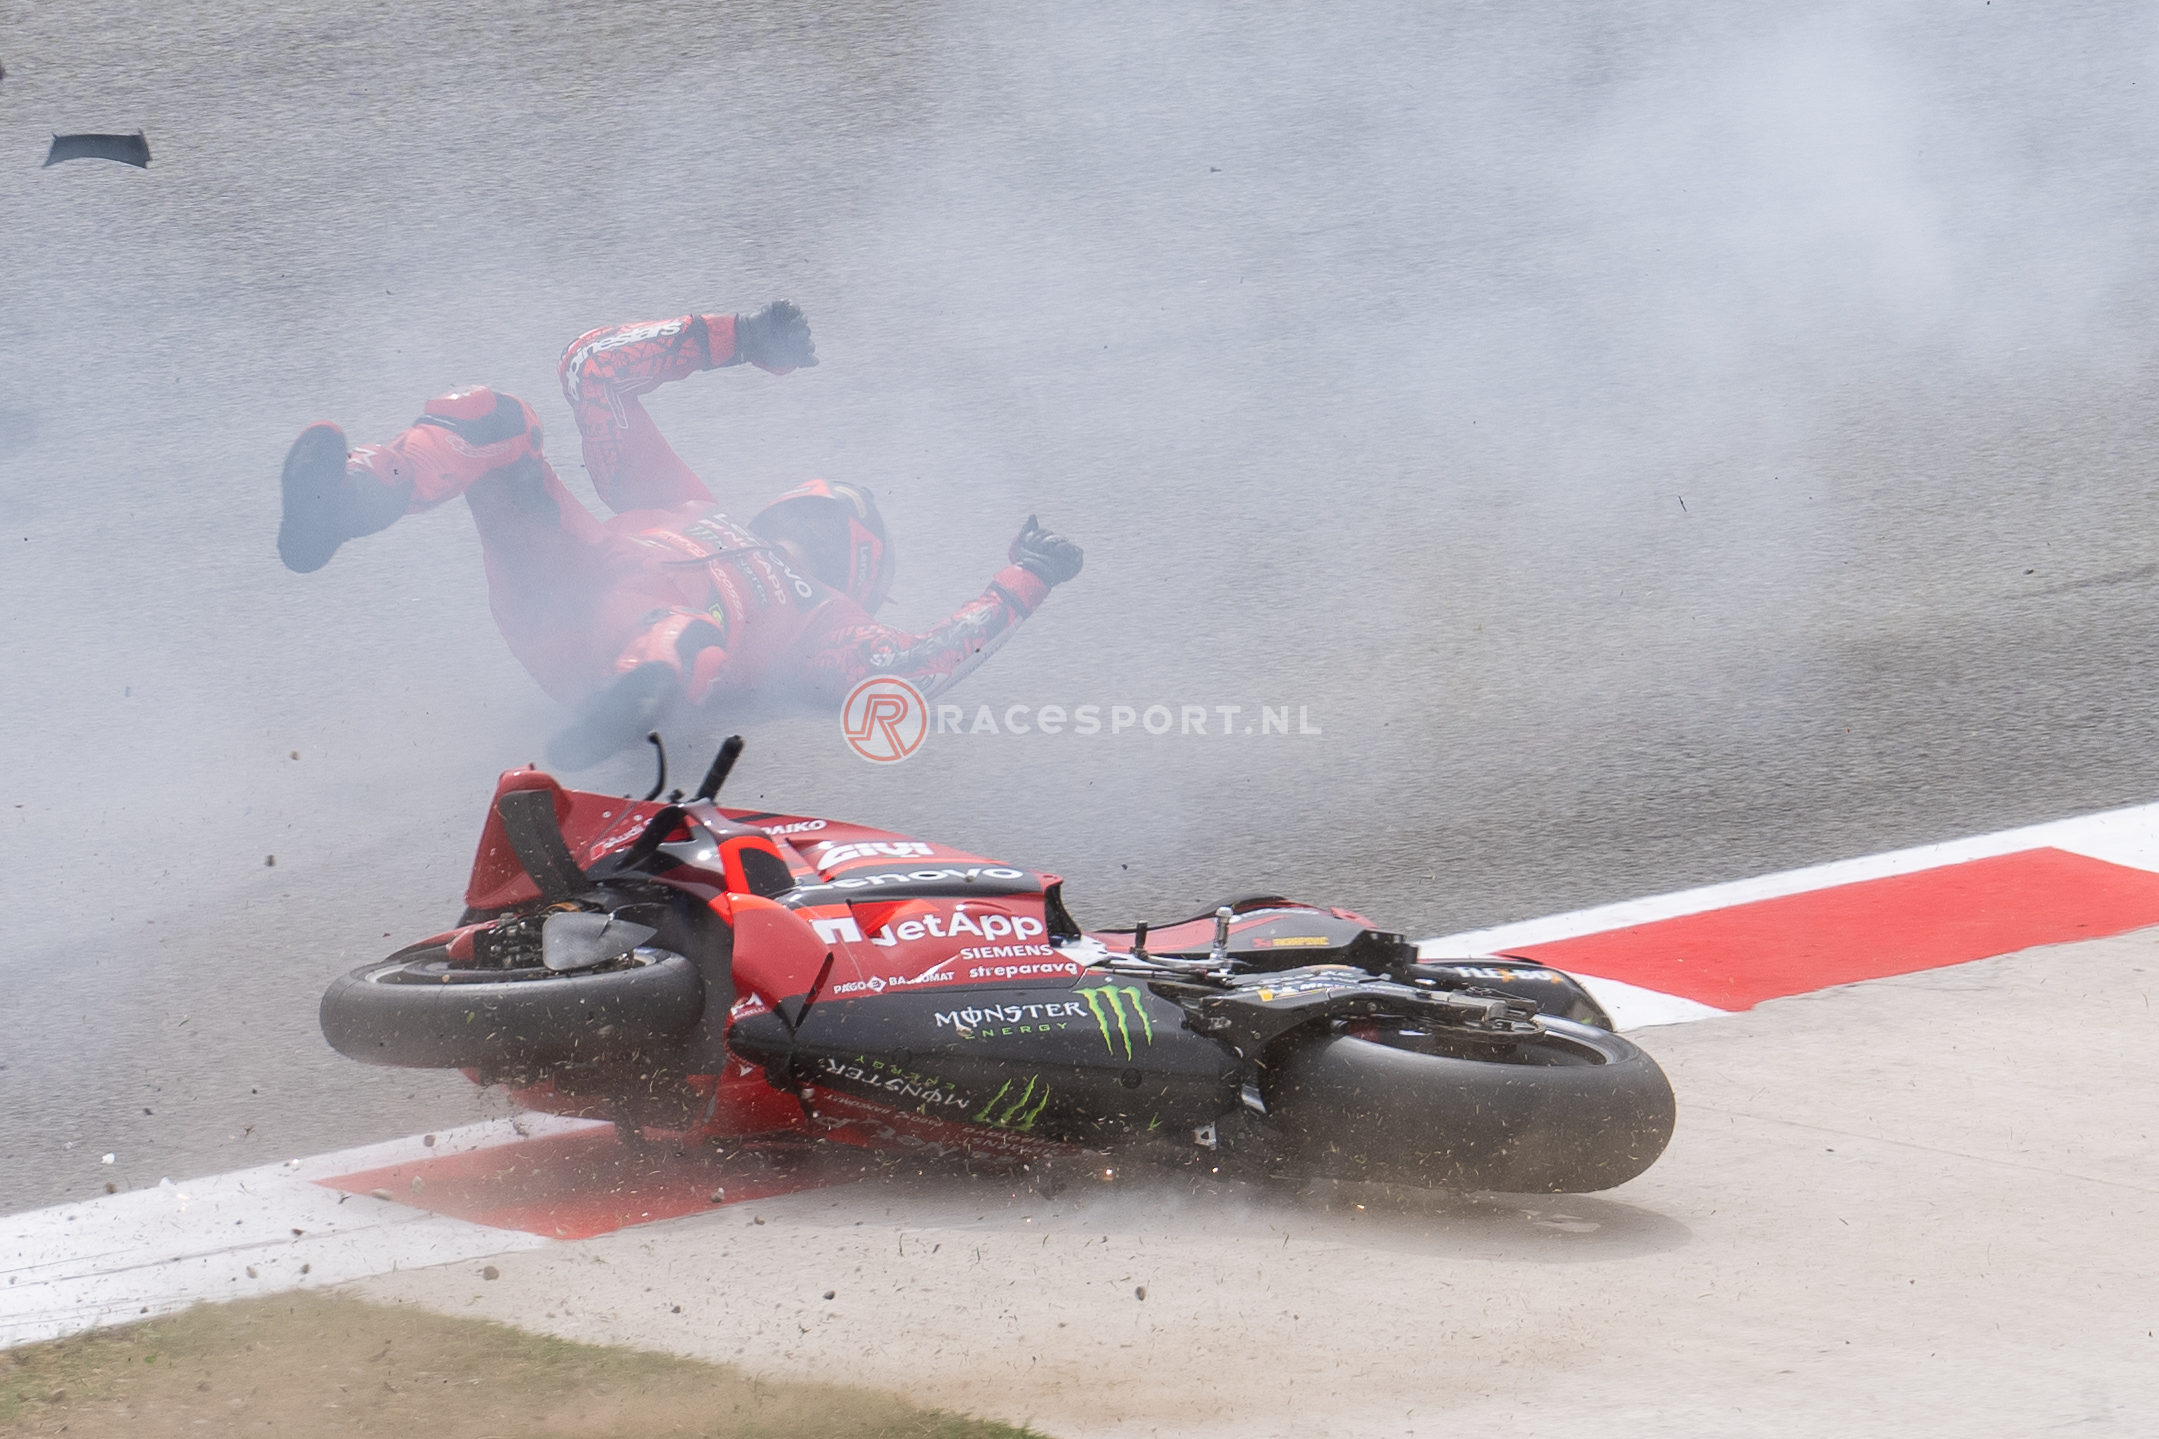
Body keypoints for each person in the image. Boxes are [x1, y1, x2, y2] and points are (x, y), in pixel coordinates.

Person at [276, 301, 1082, 766]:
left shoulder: (833, 623)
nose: (817, 508)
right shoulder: (692, 504)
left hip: (639, 651)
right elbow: (593, 369)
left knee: (694, 633)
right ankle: (353, 497)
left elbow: (914, 667)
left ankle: (634, 694)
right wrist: (739, 340)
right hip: (564, 583)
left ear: (857, 561)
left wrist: (1023, 582)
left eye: (838, 511)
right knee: (497, 415)